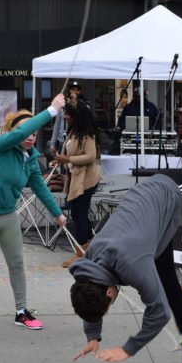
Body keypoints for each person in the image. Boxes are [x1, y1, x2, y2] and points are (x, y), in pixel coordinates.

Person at [69, 100, 182, 363]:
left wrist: (127, 349)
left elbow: (159, 313)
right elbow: (87, 292)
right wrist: (93, 336)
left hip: (170, 190)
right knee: (167, 279)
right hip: (151, 226)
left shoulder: (132, 264)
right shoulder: (89, 265)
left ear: (109, 291)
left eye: (108, 305)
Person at [0, 95, 68, 341]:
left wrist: (58, 214)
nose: (30, 137)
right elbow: (21, 132)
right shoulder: (1, 145)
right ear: (13, 132)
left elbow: (41, 188)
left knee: (17, 264)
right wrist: (51, 110)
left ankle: (21, 312)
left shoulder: (30, 159)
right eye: (25, 132)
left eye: (33, 134)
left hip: (7, 215)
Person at [54, 102, 101, 268]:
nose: (65, 117)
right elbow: (71, 153)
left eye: (67, 114)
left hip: (85, 180)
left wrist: (67, 159)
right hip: (75, 178)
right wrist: (60, 159)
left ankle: (82, 253)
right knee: (78, 215)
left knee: (79, 215)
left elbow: (90, 156)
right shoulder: (73, 131)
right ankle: (86, 251)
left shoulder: (87, 134)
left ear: (76, 115)